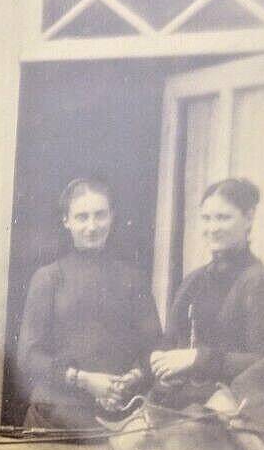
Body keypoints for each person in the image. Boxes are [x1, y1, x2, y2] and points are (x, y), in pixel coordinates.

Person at [11, 178, 162, 429]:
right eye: (82, 217)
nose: (92, 226)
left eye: (100, 215)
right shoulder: (49, 278)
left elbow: (154, 346)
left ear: (112, 217)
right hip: (55, 416)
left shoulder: (133, 279)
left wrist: (132, 378)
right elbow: (29, 357)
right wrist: (84, 380)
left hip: (120, 413)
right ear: (66, 221)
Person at [150, 177, 264, 392]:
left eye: (223, 218)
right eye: (206, 218)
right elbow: (171, 340)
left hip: (230, 402)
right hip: (183, 398)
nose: (212, 228)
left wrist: (197, 358)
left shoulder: (258, 281)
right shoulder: (194, 280)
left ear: (249, 218)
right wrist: (159, 358)